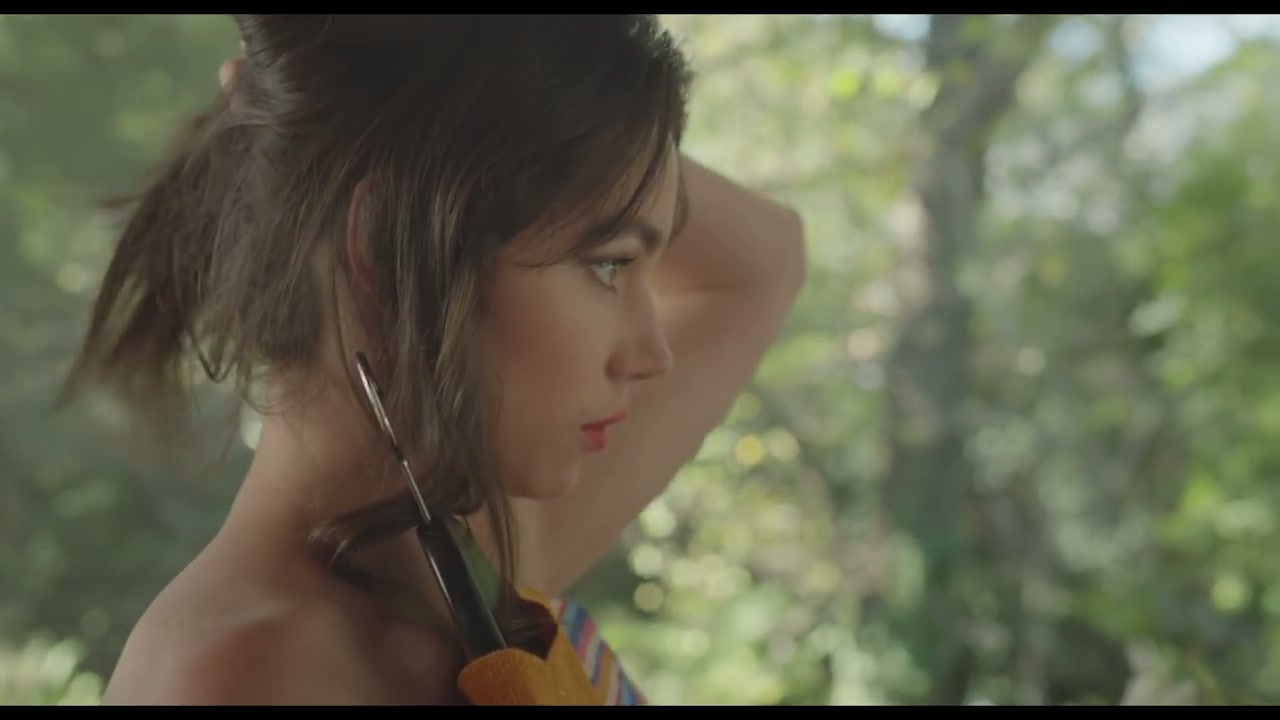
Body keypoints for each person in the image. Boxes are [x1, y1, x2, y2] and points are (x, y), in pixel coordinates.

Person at [63, 14, 806, 705]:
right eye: (608, 265)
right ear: (387, 244)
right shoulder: (241, 677)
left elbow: (767, 261)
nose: (651, 354)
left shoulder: (471, 572)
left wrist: (359, 100)